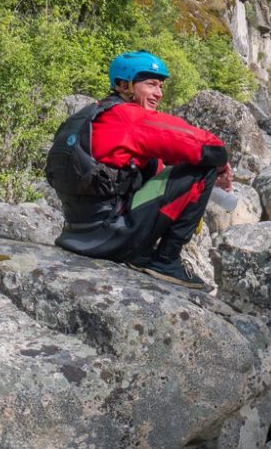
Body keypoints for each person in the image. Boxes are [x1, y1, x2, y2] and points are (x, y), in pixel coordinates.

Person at [45, 50, 234, 290]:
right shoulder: (131, 117)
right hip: (113, 237)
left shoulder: (94, 114)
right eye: (151, 84)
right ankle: (165, 260)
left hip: (79, 234)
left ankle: (147, 253)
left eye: (161, 86)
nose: (159, 93)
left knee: (156, 161)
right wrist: (219, 167)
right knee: (202, 167)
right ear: (124, 85)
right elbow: (211, 147)